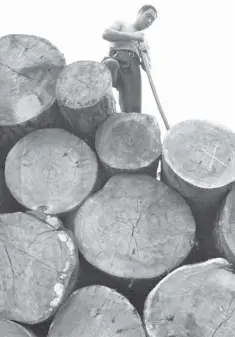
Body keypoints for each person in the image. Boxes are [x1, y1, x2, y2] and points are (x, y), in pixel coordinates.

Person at [102, 5, 157, 113]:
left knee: (133, 110)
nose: (149, 21)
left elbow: (148, 67)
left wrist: (145, 54)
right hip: (116, 58)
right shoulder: (121, 23)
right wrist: (132, 36)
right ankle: (103, 105)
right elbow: (106, 34)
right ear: (140, 13)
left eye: (152, 20)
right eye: (148, 16)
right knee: (110, 64)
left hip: (133, 67)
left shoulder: (144, 41)